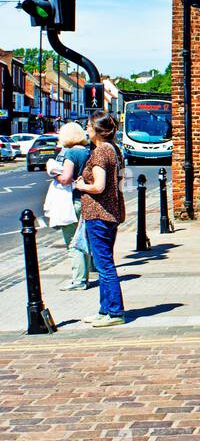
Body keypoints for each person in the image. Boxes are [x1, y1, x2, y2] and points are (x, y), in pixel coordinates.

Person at [74, 112, 126, 327]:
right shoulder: (113, 149)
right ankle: (105, 310)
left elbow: (99, 186)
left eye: (88, 126)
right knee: (103, 262)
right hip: (110, 213)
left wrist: (81, 186)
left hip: (98, 213)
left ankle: (114, 313)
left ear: (97, 130)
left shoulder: (100, 152)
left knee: (104, 265)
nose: (86, 129)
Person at [50, 121, 93, 291]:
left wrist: (54, 173)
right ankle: (84, 277)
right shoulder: (87, 152)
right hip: (85, 199)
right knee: (83, 240)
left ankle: (78, 280)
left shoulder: (71, 154)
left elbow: (66, 178)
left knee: (73, 243)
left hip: (72, 201)